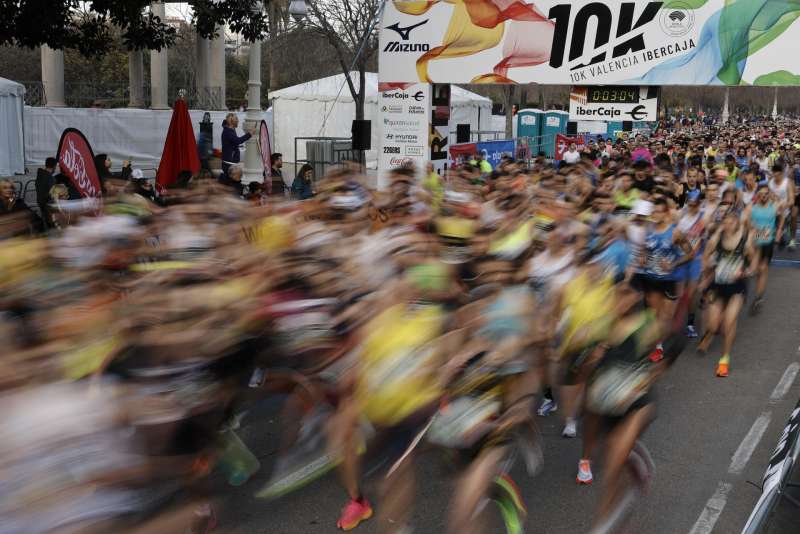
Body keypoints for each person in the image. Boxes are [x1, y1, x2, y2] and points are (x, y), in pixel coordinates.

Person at [699, 208, 756, 377]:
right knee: (714, 325)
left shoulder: (744, 243)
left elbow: (752, 265)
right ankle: (709, 334)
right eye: (725, 221)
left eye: (731, 221)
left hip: (737, 288)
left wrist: (744, 272)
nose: (728, 224)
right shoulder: (715, 240)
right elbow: (705, 259)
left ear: (737, 223)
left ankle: (724, 361)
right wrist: (707, 270)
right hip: (717, 286)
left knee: (728, 323)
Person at [750, 183, 783, 314]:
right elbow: (749, 225)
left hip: (767, 243)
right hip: (755, 244)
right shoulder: (752, 208)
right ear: (757, 195)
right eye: (761, 194)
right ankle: (758, 294)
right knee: (757, 271)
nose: (763, 196)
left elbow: (782, 216)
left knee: (763, 270)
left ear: (769, 194)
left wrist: (779, 230)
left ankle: (758, 297)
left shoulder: (774, 206)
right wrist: (759, 233)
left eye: (766, 193)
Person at [36, 157, 58, 227]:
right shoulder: (50, 179)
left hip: (40, 201)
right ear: (54, 166)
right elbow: (52, 195)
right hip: (47, 204)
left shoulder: (40, 175)